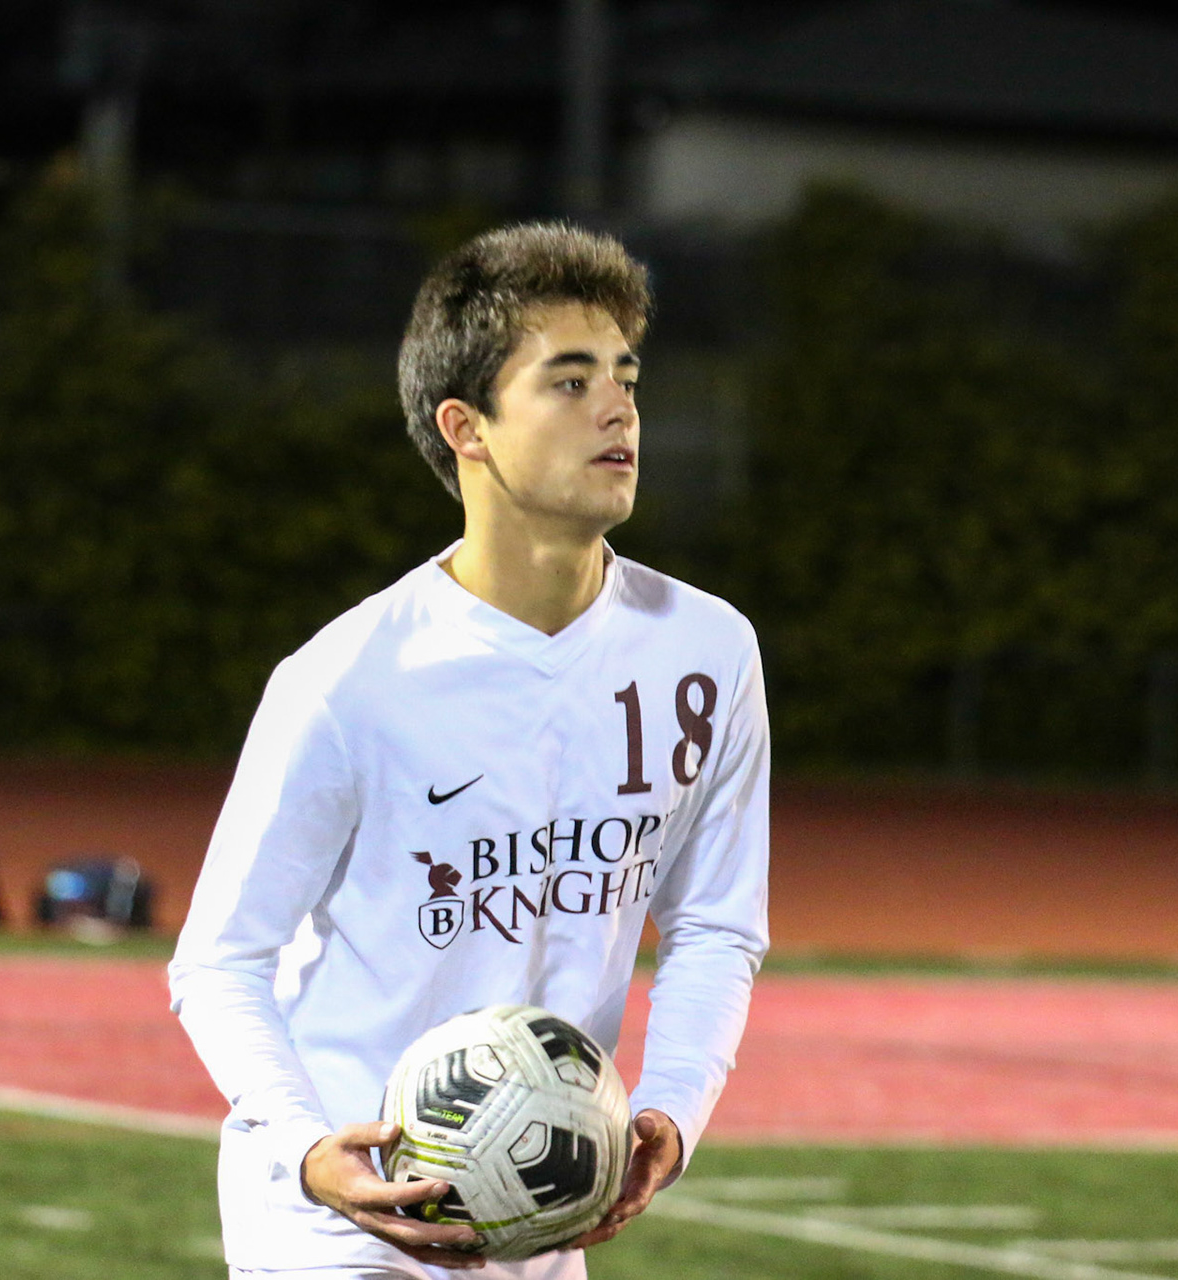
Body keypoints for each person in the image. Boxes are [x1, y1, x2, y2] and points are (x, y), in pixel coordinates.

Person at [169, 223, 770, 1279]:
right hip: (342, 1220)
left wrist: (673, 1107)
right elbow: (220, 959)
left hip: (541, 1209)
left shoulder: (705, 650)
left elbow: (715, 924)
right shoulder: (347, 678)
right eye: (570, 380)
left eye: (625, 376)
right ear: (467, 427)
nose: (618, 407)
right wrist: (306, 1148)